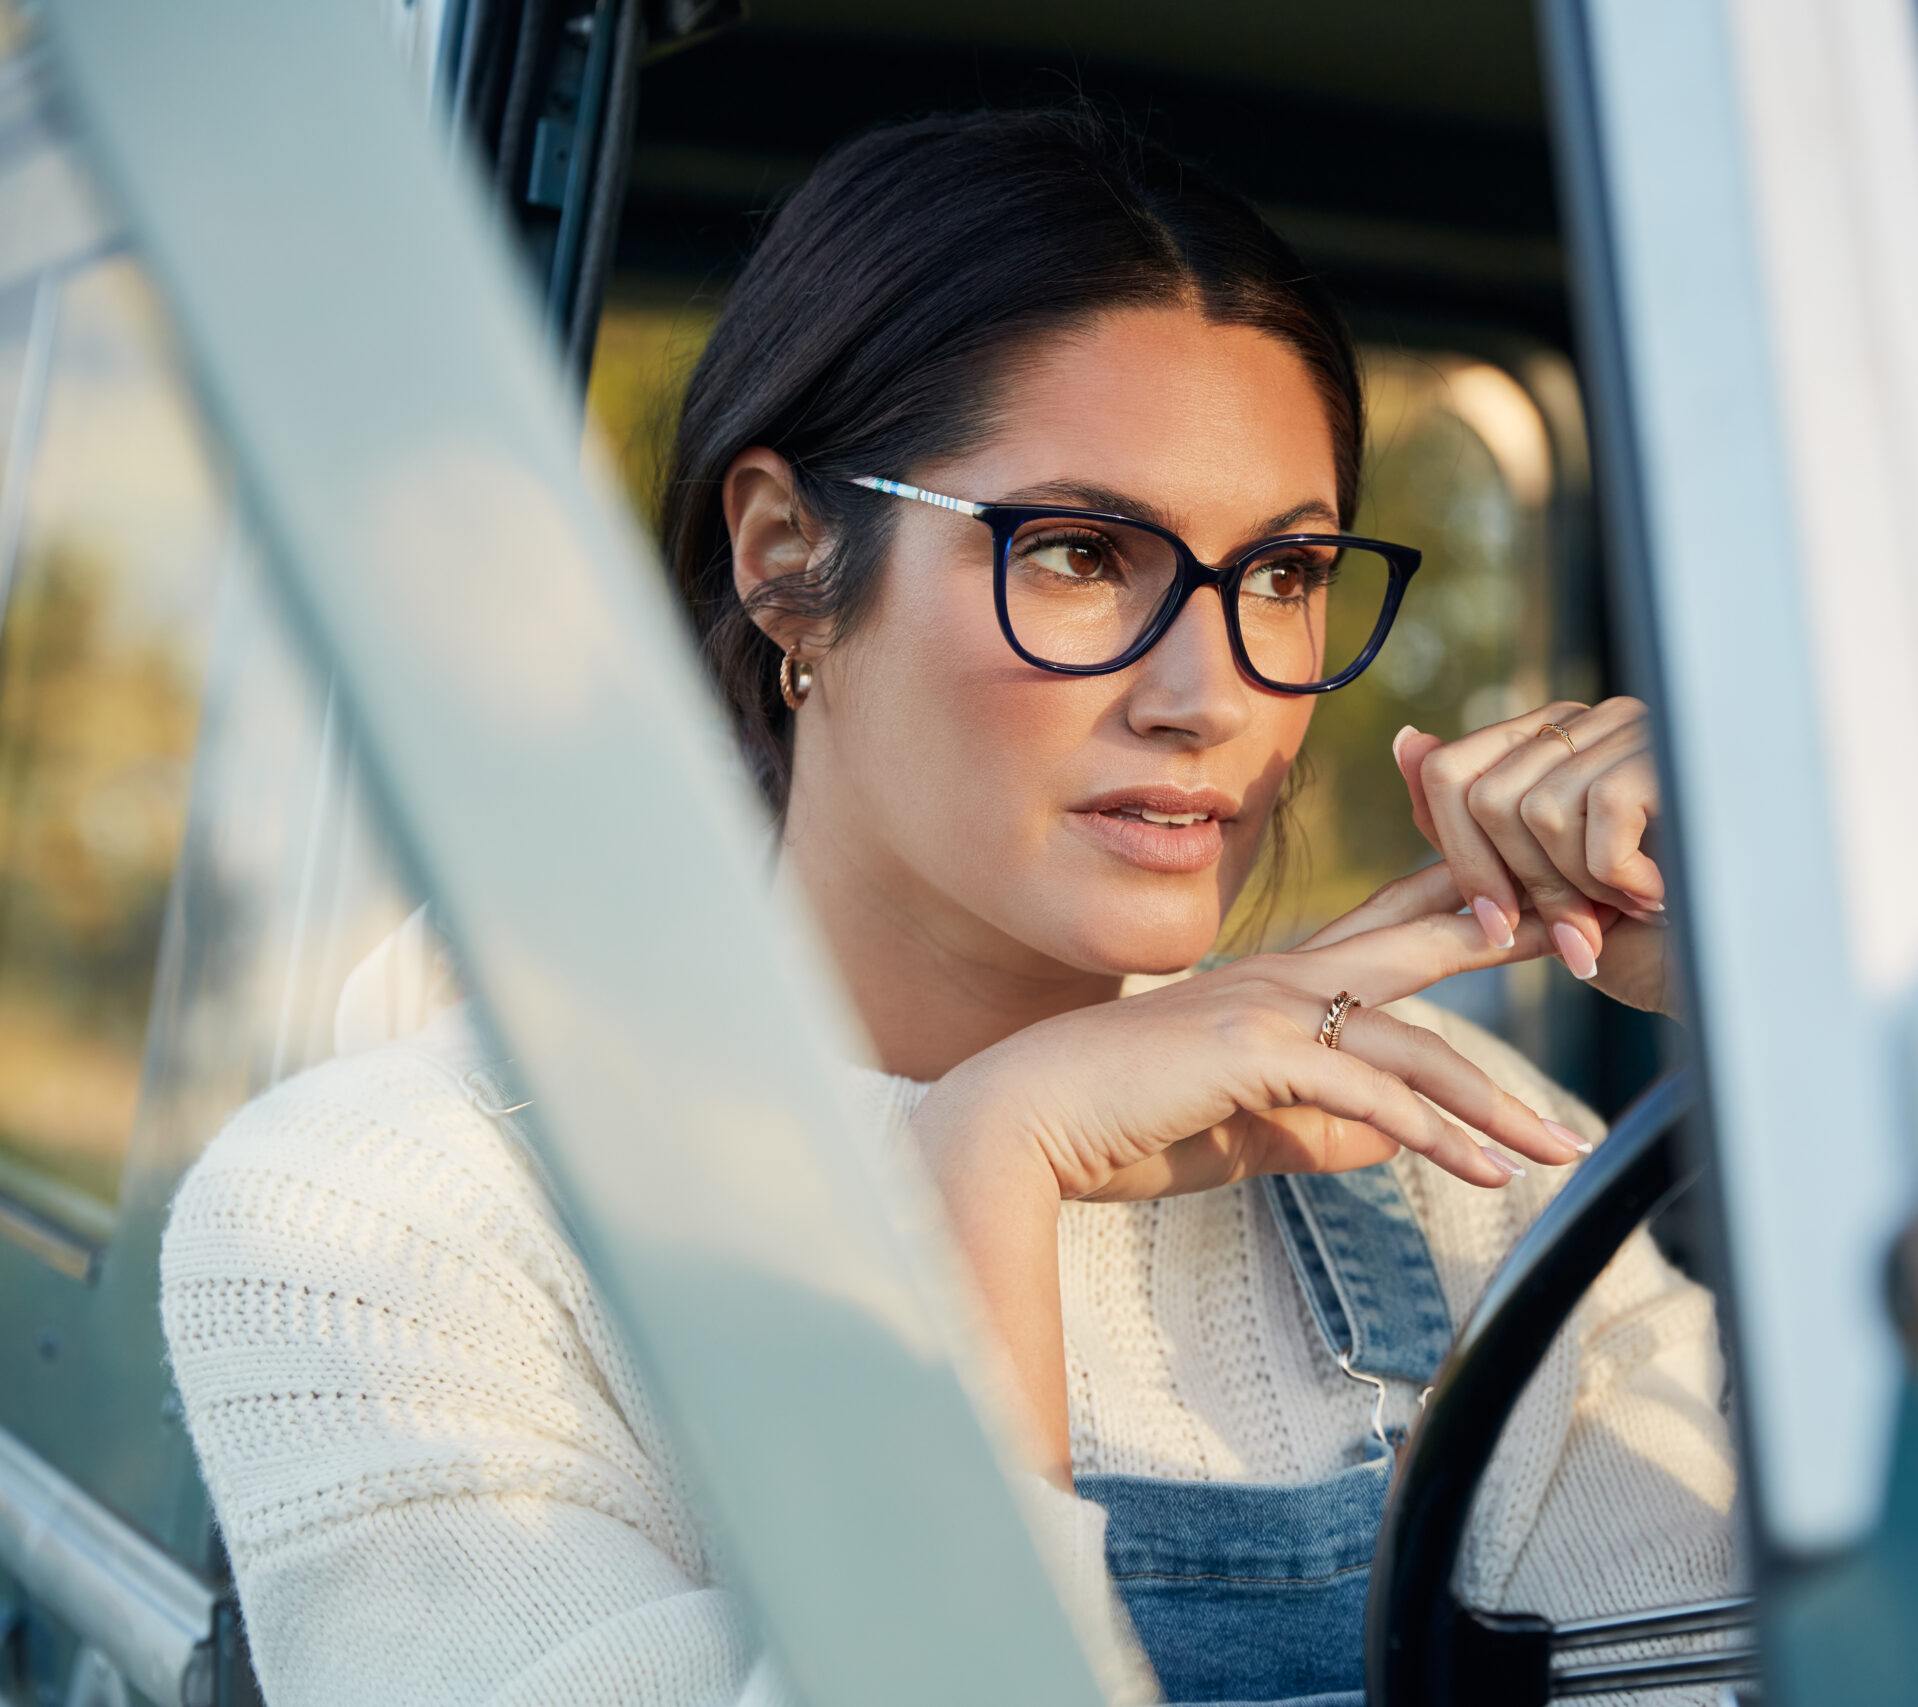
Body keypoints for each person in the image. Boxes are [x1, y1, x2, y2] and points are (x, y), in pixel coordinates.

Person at [159, 107, 1743, 1707]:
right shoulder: (393, 1222)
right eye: (1077, 554)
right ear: (786, 559)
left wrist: (1775, 1003)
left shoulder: (1448, 1161)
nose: (1210, 697)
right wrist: (985, 1166)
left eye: (1281, 575)